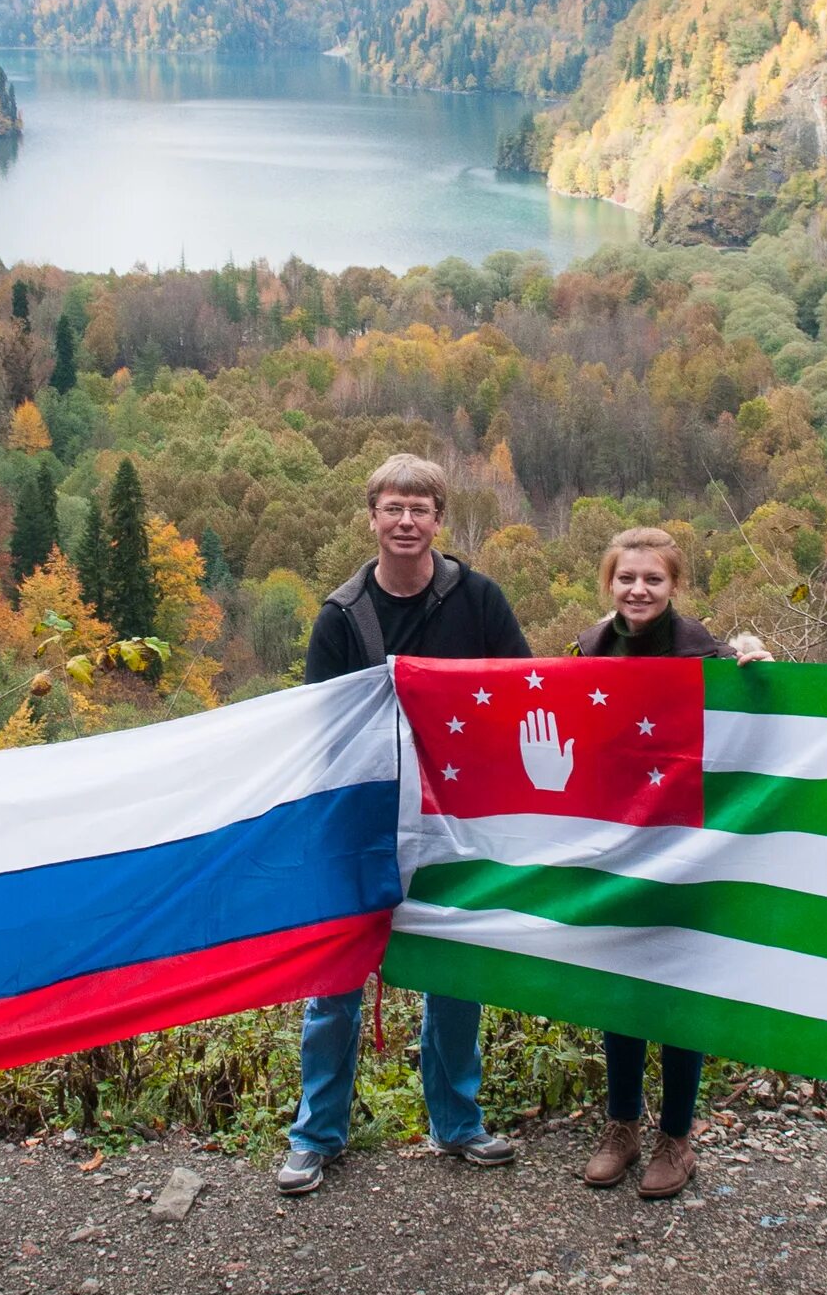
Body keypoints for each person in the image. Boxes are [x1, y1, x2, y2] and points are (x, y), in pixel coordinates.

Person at [277, 454, 530, 1194]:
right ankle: (316, 1135)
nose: (407, 521)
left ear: (439, 520)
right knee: (335, 981)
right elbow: (319, 728)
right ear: (373, 517)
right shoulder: (342, 615)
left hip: (455, 817)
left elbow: (520, 687)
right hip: (363, 822)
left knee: (455, 972)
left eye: (420, 507)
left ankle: (458, 1123)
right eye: (393, 507)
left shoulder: (479, 599)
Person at [571, 527, 770, 1201]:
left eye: (652, 579)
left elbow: (762, 719)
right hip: (618, 842)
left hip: (689, 843)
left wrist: (760, 669)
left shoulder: (706, 652)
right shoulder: (589, 652)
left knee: (680, 991)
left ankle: (676, 1137)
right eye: (627, 577)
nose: (638, 589)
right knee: (621, 989)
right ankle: (621, 1125)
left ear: (674, 585)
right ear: (610, 582)